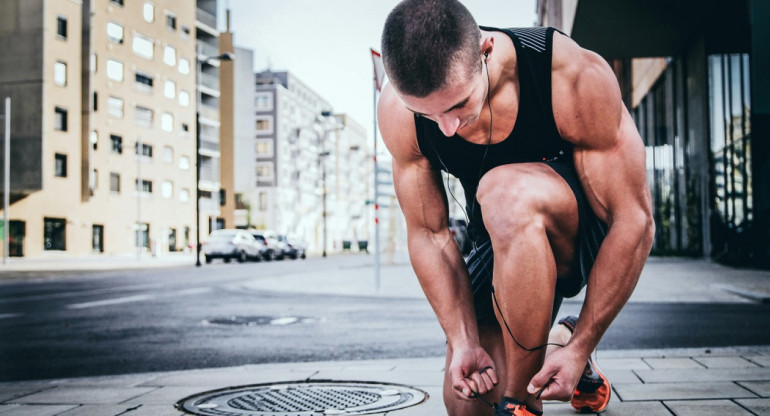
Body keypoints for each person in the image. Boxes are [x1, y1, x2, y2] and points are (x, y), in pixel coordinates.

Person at [377, 1, 654, 415]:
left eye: (457, 105)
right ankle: (554, 341)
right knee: (468, 400)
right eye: (427, 113)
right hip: (501, 240)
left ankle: (521, 402)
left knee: (504, 191)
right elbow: (429, 235)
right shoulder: (398, 111)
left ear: (486, 51)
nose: (446, 128)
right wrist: (462, 341)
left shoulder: (568, 74)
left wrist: (584, 346)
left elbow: (634, 220)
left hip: (581, 233)